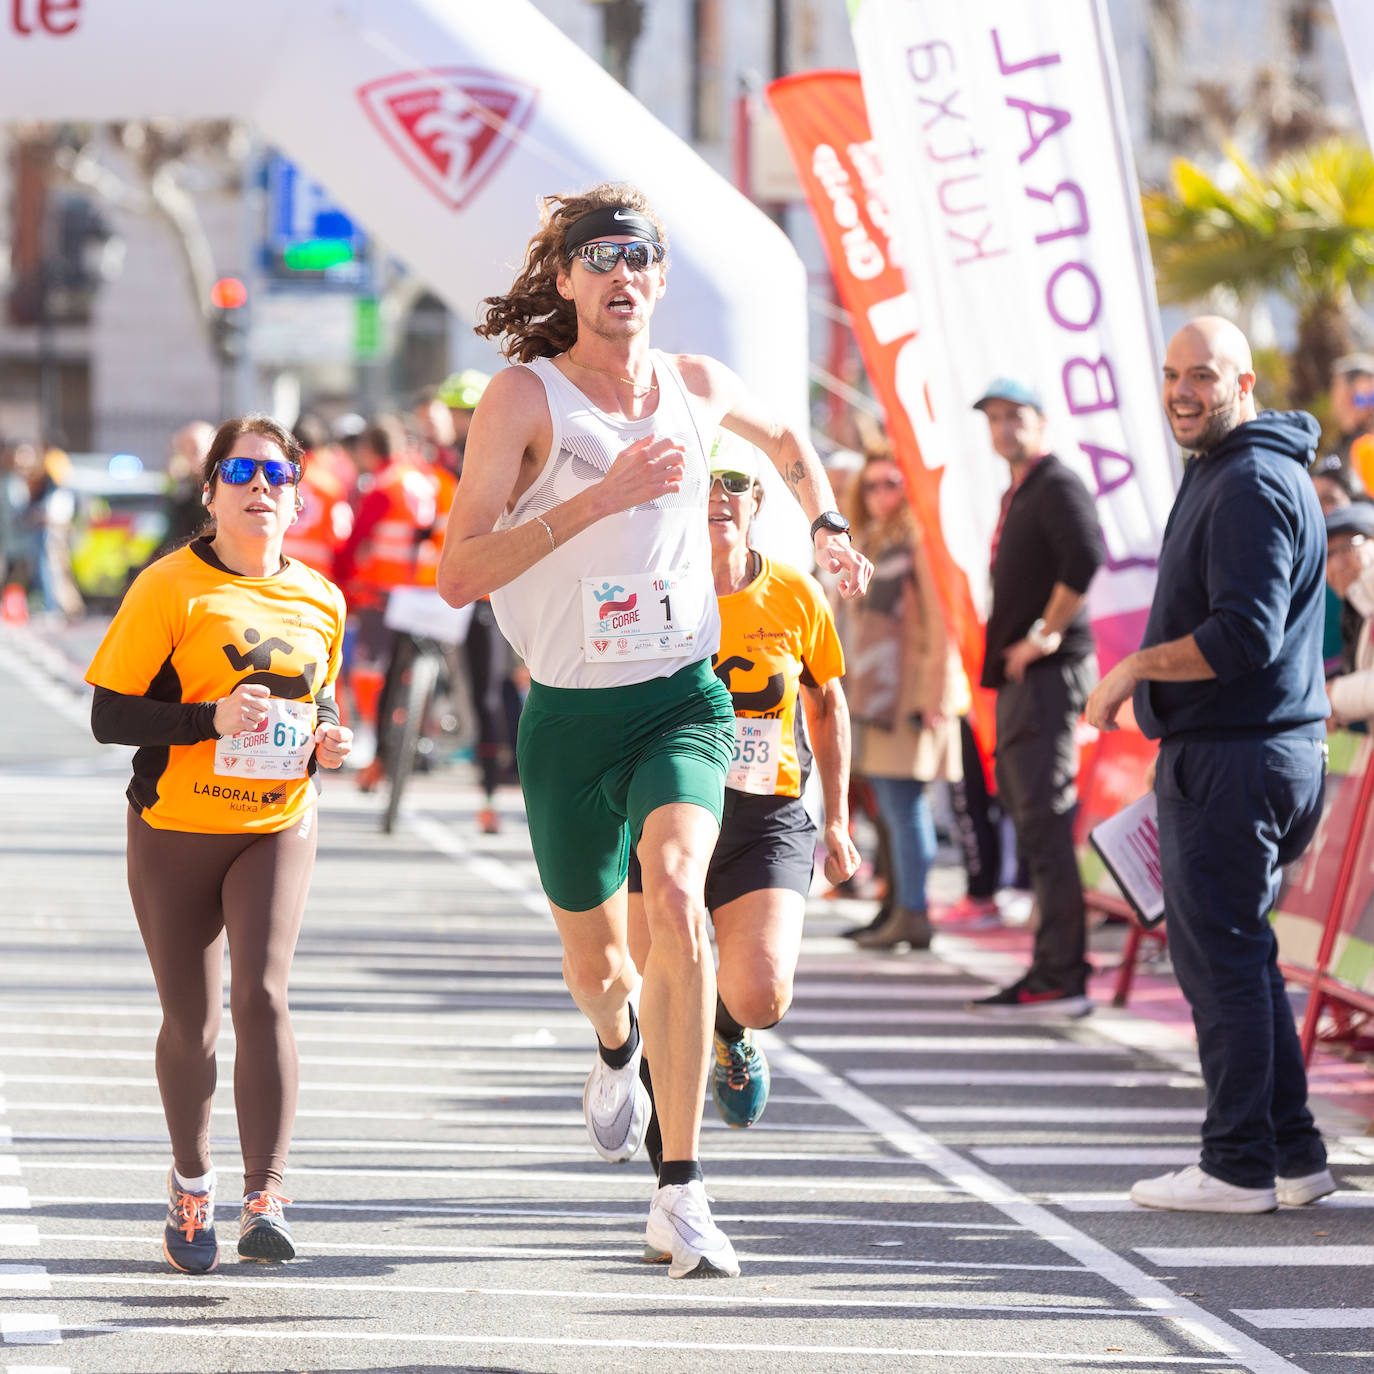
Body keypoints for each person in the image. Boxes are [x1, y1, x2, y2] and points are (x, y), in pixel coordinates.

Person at [436, 183, 871, 1279]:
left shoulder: (695, 386)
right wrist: (600, 496)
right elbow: (457, 573)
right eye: (600, 259)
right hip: (569, 718)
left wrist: (825, 525)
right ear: (568, 281)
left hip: (682, 697)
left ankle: (679, 1192)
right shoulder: (524, 401)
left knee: (679, 893)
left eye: (639, 259)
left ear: (660, 281)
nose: (621, 276)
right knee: (600, 963)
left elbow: (788, 438)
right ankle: (614, 1043)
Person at [84, 415, 353, 1271]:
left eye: (278, 474)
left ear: (299, 497)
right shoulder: (170, 587)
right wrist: (209, 719)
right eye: (240, 471)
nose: (260, 487)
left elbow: (322, 702)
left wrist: (331, 739)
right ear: (210, 493)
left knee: (263, 997)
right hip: (174, 828)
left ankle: (266, 1193)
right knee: (192, 1024)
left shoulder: (321, 596)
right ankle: (191, 1182)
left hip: (273, 822)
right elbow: (108, 715)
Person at [1085, 315, 1333, 1214]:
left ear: (1245, 383)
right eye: (1172, 373)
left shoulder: (1251, 480)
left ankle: (1235, 1165)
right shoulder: (1238, 471)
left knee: (1222, 962)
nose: (1183, 389)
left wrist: (1132, 670)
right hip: (1248, 752)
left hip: (1237, 757)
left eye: (1204, 375)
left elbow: (1242, 638)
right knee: (1242, 957)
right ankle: (1295, 1154)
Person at [624, 434, 857, 1140]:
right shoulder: (653, 587)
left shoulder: (794, 593)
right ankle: (674, 1162)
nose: (719, 494)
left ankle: (731, 1031)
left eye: (735, 482)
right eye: (706, 481)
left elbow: (827, 703)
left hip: (767, 814)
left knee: (760, 994)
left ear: (758, 502)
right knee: (659, 982)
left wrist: (840, 820)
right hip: (667, 805)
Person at [966, 378, 1104, 1016]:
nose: (1003, 428)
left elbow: (1086, 555)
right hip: (1024, 684)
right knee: (1033, 823)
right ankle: (1052, 967)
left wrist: (1044, 636)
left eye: (1014, 416)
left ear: (1041, 421)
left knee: (1046, 826)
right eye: (994, 418)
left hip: (1048, 680)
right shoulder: (1018, 491)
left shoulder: (1056, 482)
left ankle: (1061, 974)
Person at [841, 445, 966, 951]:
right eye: (871, 485)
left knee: (903, 804)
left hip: (910, 697)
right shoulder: (869, 541)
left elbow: (943, 624)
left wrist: (935, 692)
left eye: (891, 484)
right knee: (887, 810)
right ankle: (894, 908)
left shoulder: (919, 543)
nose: (880, 495)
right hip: (873, 696)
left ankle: (913, 912)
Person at [1322, 501, 1374, 724]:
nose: (1337, 564)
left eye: (1347, 547)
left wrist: (1332, 696)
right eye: (1327, 555)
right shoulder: (1360, 616)